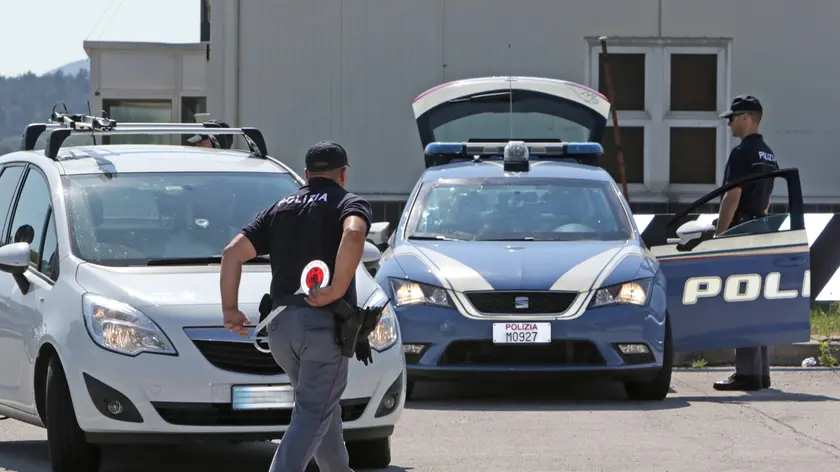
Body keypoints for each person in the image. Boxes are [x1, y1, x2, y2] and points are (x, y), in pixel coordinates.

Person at [219, 140, 372, 472]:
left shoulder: (280, 208)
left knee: (319, 410)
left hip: (281, 329)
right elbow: (355, 234)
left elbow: (232, 253)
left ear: (306, 175)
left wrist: (230, 309)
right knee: (313, 414)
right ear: (343, 175)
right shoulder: (348, 203)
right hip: (321, 329)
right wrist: (336, 289)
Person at [712, 95, 779, 392]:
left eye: (733, 118)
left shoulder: (741, 154)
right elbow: (766, 202)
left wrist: (720, 235)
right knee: (758, 302)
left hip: (741, 233)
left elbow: (731, 196)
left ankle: (747, 374)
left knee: (742, 302)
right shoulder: (768, 154)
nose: (729, 124)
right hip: (761, 232)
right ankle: (761, 372)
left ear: (747, 118)